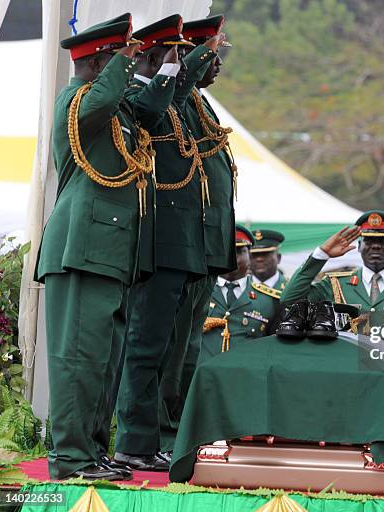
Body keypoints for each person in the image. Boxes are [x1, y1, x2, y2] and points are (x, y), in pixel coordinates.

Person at [34, 14, 148, 481]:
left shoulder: (113, 108)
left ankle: (92, 452)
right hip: (80, 248)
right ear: (101, 58)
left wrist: (161, 72)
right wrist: (120, 65)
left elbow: (155, 108)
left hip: (108, 250)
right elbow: (97, 101)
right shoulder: (75, 99)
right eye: (122, 55)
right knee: (78, 362)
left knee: (103, 363)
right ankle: (70, 459)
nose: (131, 63)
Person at [114, 14, 226, 471]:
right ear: (161, 54)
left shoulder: (181, 101)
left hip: (184, 245)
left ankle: (150, 439)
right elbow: (148, 112)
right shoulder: (136, 97)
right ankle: (134, 441)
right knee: (145, 346)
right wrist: (184, 65)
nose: (212, 64)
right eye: (180, 52)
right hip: (159, 243)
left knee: (165, 349)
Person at [157, 14, 237, 457]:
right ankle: (160, 436)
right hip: (180, 245)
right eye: (211, 54)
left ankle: (177, 435)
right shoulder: (175, 101)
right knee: (166, 351)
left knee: (186, 351)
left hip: (204, 248)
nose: (218, 64)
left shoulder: (201, 106)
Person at [281, 210, 384, 318]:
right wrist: (321, 255)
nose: (376, 246)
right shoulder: (335, 285)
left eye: (383, 241)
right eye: (369, 241)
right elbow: (289, 300)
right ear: (359, 246)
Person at [201, 225, 283, 359]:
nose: (231, 258)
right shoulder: (199, 292)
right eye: (225, 251)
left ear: (250, 256)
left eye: (239, 251)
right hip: (202, 375)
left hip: (245, 376)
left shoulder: (270, 300)